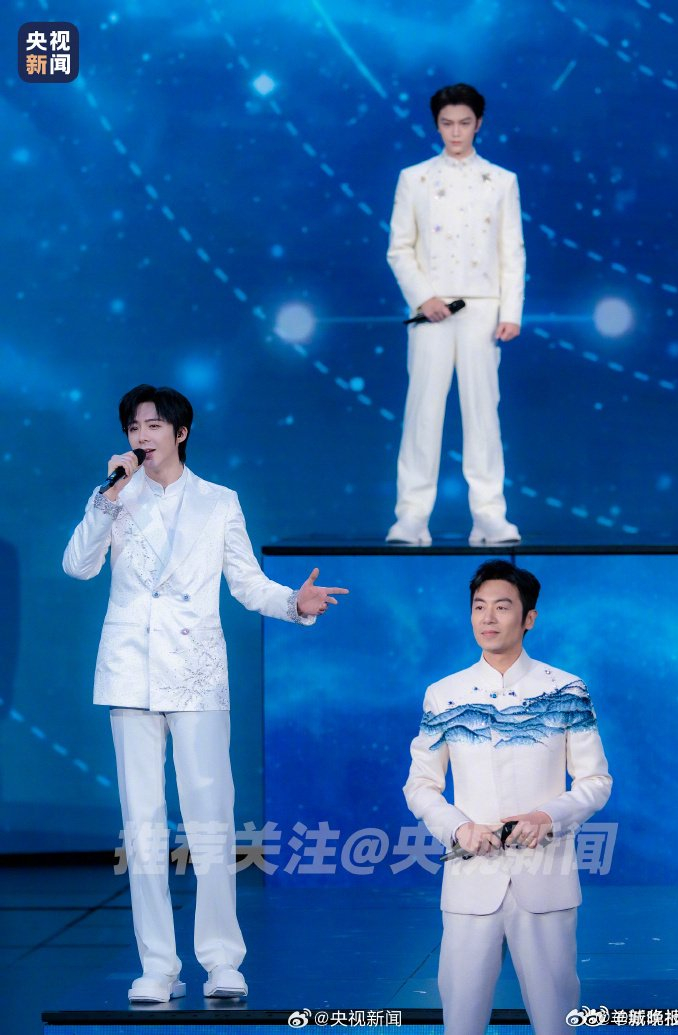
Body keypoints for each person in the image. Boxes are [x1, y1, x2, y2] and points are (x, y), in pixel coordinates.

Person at [63, 384, 348, 1005]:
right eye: (133, 427)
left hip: (195, 671)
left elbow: (247, 583)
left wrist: (294, 603)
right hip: (130, 672)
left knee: (211, 818)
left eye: (152, 426)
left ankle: (222, 959)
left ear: (180, 432)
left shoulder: (219, 501)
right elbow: (77, 565)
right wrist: (106, 499)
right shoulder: (115, 498)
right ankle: (157, 967)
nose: (141, 437)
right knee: (141, 823)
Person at [403, 560, 612, 1034]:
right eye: (479, 607)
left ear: (528, 618)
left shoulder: (566, 689)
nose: (488, 618)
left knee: (557, 1020)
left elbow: (595, 780)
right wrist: (459, 828)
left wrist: (547, 816)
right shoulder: (445, 694)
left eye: (502, 607)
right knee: (461, 1020)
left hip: (546, 878)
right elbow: (420, 785)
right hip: (471, 878)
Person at [386, 83, 526, 546]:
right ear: (437, 125)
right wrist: (424, 296)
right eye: (447, 123)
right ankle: (411, 517)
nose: (456, 132)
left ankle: (489, 515)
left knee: (484, 414)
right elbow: (399, 248)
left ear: (478, 123)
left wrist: (511, 311)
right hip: (431, 312)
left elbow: (512, 252)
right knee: (422, 413)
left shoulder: (501, 181)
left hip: (483, 309)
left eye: (465, 123)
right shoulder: (415, 179)